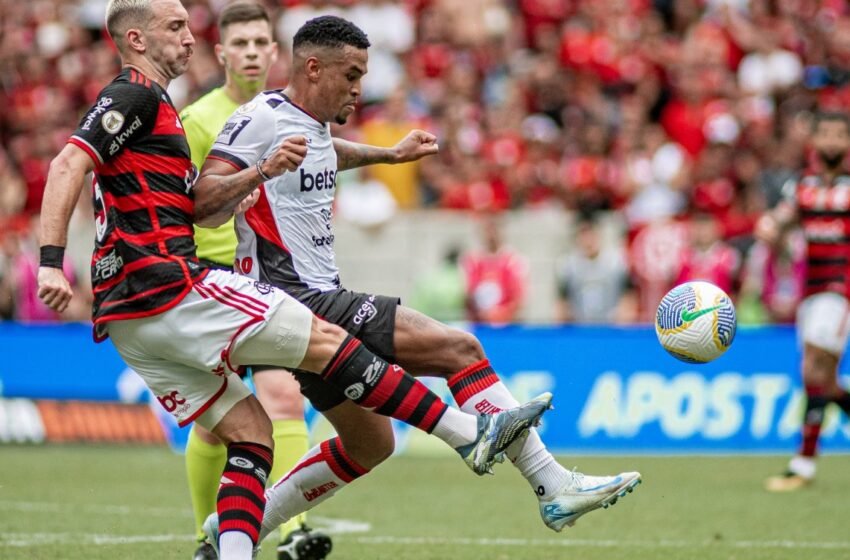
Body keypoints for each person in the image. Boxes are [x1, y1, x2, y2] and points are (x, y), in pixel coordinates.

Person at [35, 3, 552, 560]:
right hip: (172, 284)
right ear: (136, 38)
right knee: (326, 341)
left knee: (250, 434)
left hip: (128, 317)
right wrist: (49, 261)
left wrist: (373, 157)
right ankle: (466, 433)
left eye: (190, 24)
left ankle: (228, 550)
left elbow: (222, 183)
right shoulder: (136, 93)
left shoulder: (165, 108)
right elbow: (69, 164)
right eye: (177, 27)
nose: (189, 37)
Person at [195, 14, 640, 538]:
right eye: (352, 74)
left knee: (371, 445)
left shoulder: (311, 125)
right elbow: (202, 201)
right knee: (459, 350)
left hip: (311, 304)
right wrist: (260, 173)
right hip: (294, 297)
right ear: (313, 68)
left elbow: (323, 152)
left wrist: (389, 154)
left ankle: (233, 531)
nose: (360, 89)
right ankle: (551, 484)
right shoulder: (262, 118)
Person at [178, 5, 324, 559]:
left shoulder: (297, 114)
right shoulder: (197, 120)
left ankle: (293, 532)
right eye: (240, 43)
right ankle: (205, 537)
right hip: (213, 278)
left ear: (274, 51)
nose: (253, 52)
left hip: (275, 276)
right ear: (221, 54)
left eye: (262, 42)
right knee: (220, 422)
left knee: (284, 395)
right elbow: (183, 205)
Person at [760, 111, 850, 492]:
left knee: (814, 367)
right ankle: (804, 463)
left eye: (839, 134)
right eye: (825, 134)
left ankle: (803, 465)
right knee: (820, 380)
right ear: (814, 142)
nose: (831, 141)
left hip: (841, 290)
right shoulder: (801, 188)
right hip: (809, 293)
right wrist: (771, 231)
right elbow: (777, 227)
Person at [461, 213, 527, 325]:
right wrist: (480, 313)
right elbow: (468, 294)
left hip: (506, 325)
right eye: (487, 230)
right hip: (480, 324)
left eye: (494, 230)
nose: (490, 235)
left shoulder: (513, 261)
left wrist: (502, 314)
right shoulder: (473, 261)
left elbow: (518, 298)